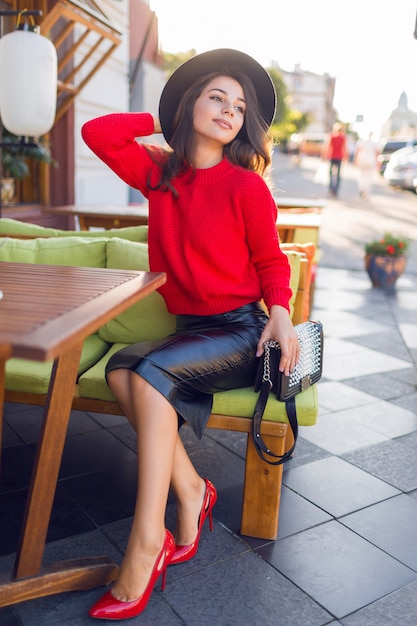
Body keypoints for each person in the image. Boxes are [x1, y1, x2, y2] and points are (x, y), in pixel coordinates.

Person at [81, 48, 299, 621]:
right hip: (191, 331)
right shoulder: (160, 172)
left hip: (241, 332)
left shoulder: (246, 187)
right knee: (121, 369)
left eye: (240, 106)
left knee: (145, 374)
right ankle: (196, 492)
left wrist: (279, 311)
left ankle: (145, 542)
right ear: (192, 104)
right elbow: (96, 132)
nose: (229, 111)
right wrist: (164, 115)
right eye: (216, 97)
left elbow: (273, 263)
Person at [322, 122, 347, 196]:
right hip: (338, 157)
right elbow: (344, 149)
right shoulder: (342, 137)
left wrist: (324, 155)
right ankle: (335, 190)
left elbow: (327, 147)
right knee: (338, 175)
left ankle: (331, 188)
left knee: (331, 174)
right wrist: (345, 158)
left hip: (332, 157)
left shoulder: (332, 136)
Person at [354, 131, 379, 200]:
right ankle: (367, 192)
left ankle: (362, 189)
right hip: (371, 161)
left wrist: (355, 161)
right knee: (369, 178)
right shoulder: (374, 143)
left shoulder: (362, 142)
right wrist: (378, 164)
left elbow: (358, 151)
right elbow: (377, 153)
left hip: (362, 160)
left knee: (361, 176)